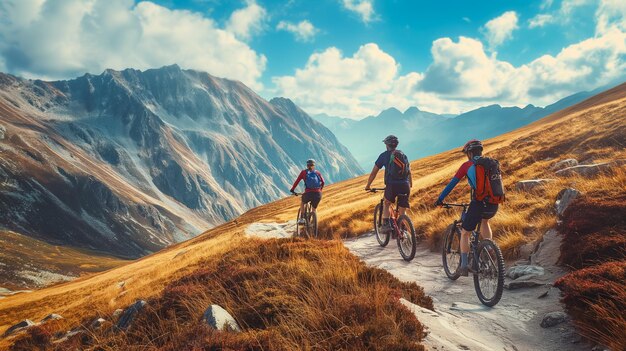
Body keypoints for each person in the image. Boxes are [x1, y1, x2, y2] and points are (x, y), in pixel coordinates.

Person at [434, 139, 498, 276]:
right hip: (493, 204)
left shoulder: (466, 165)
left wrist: (440, 199)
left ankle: (463, 266)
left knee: (465, 232)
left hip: (479, 203)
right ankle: (490, 250)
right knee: (485, 221)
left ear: (469, 153)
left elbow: (452, 184)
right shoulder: (491, 163)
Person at [365, 135, 412, 234]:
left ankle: (386, 225)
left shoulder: (384, 155)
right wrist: (410, 184)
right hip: (405, 185)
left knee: (387, 203)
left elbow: (374, 172)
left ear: (387, 145)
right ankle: (403, 230)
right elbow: (409, 171)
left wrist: (368, 185)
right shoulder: (403, 154)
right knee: (402, 210)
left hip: (392, 185)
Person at [290, 159, 325, 224]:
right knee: (314, 208)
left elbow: (297, 181)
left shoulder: (303, 172)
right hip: (318, 194)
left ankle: (302, 218)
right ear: (314, 165)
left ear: (307, 165)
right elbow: (323, 182)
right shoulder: (317, 172)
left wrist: (292, 190)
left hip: (308, 193)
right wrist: (320, 190)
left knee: (303, 202)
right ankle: (314, 222)